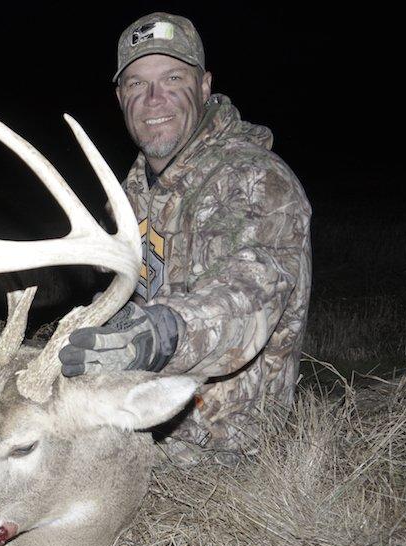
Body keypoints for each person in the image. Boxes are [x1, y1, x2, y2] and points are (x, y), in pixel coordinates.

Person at [59, 12, 311, 460]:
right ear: (120, 97)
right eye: (137, 84)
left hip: (220, 453)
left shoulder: (258, 180)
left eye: (172, 78)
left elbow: (249, 296)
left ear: (205, 85)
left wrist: (159, 334)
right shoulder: (128, 196)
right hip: (131, 424)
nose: (154, 99)